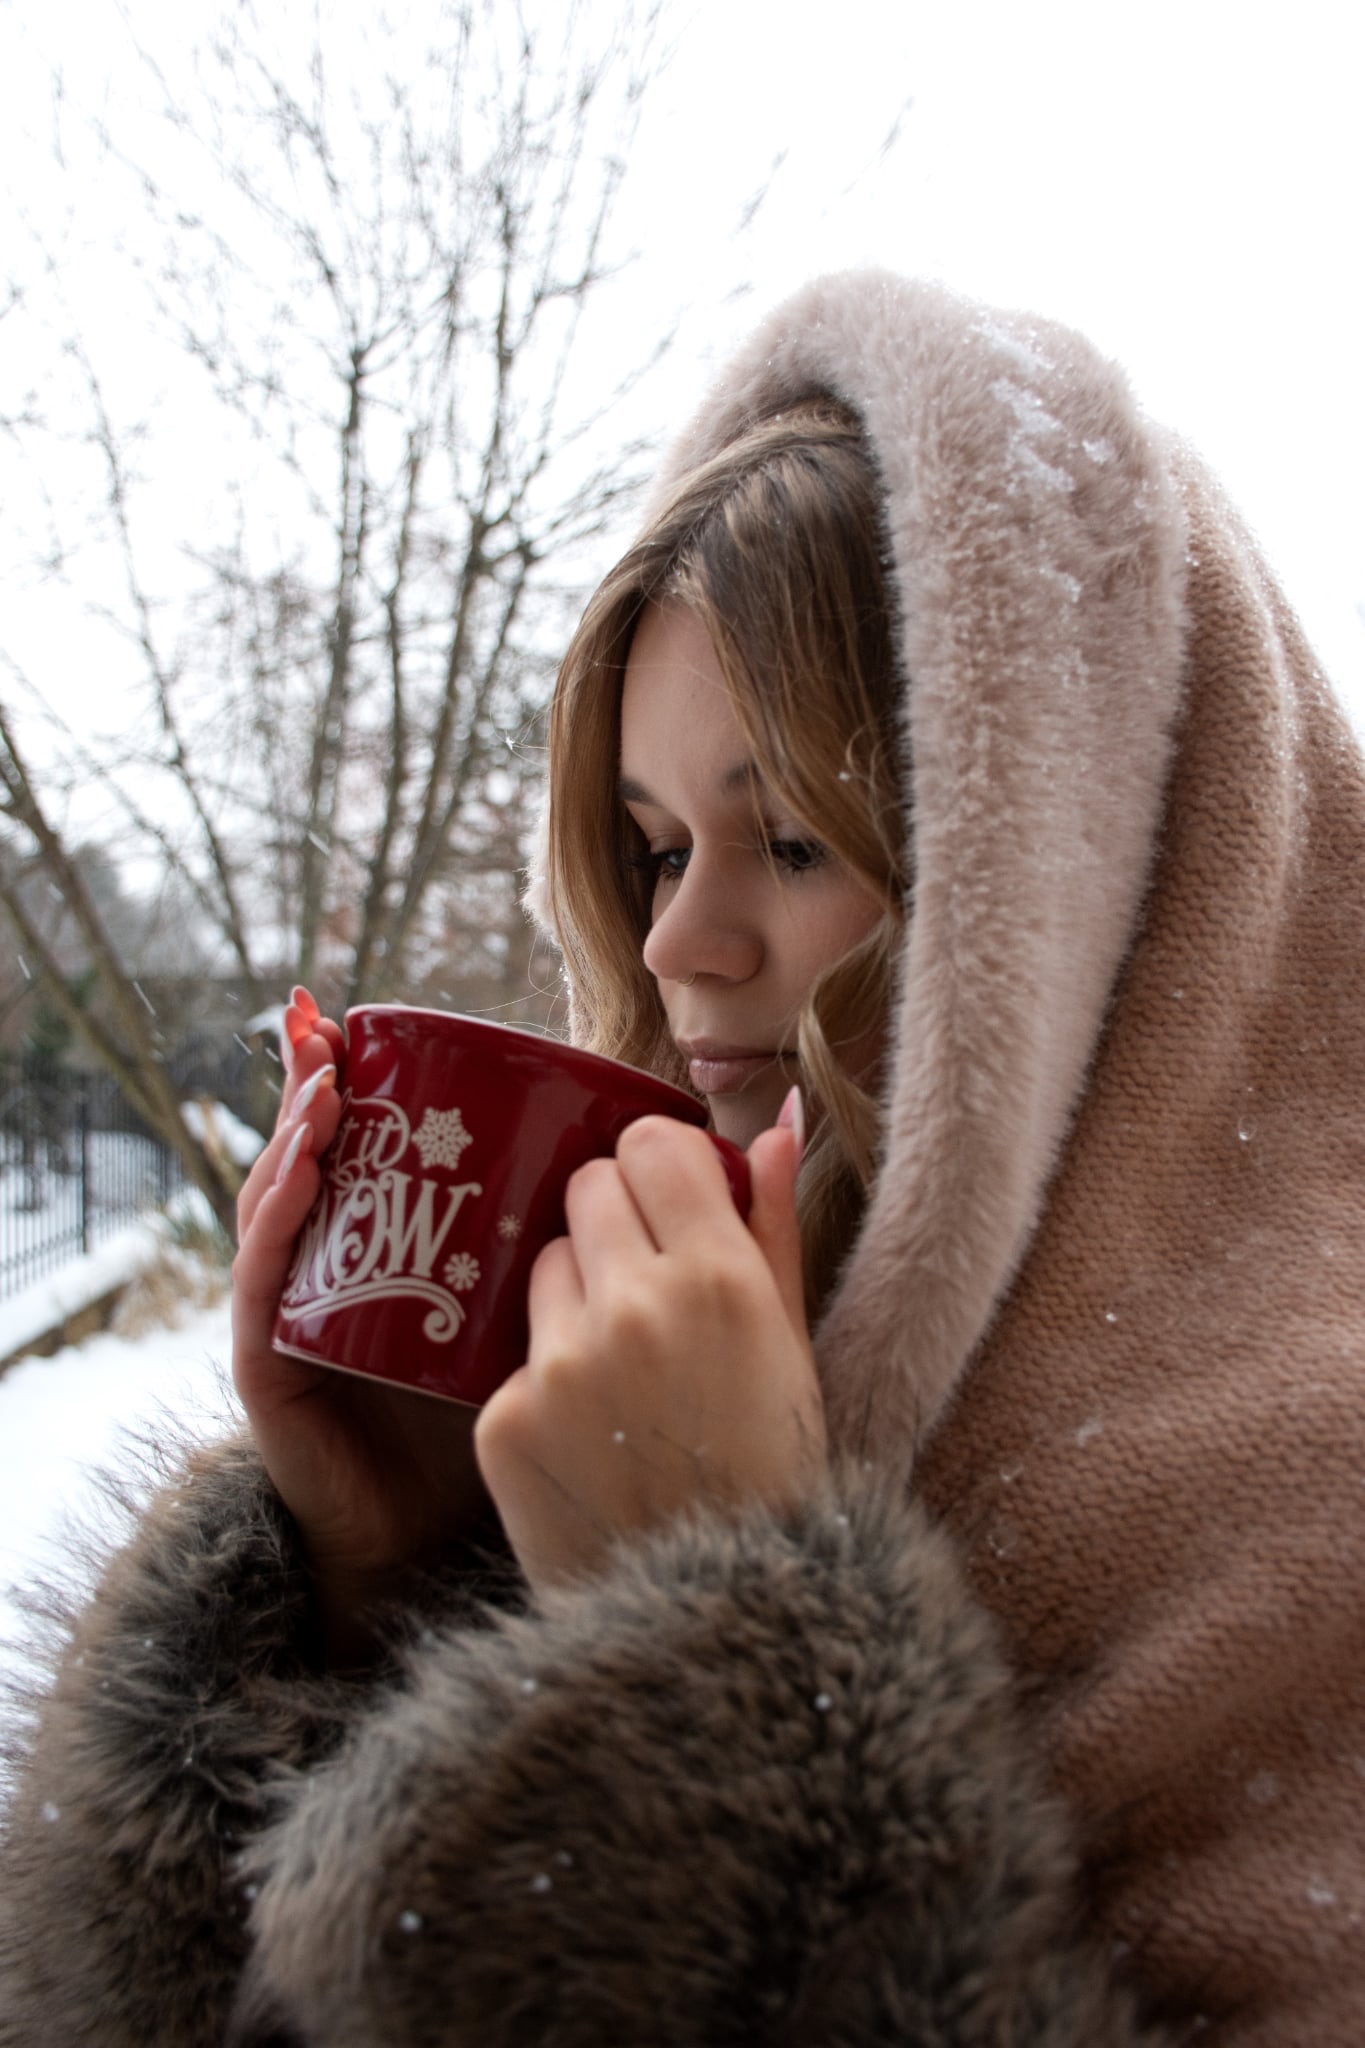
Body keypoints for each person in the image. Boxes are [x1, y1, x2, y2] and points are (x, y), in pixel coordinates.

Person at [2, 270, 1363, 2047]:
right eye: (651, 849)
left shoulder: (1310, 1522)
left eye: (788, 837)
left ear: (1080, 886)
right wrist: (383, 1593)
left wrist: (726, 1689)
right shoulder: (643, 1361)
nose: (674, 945)